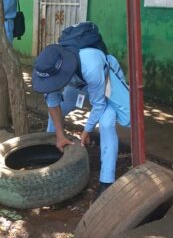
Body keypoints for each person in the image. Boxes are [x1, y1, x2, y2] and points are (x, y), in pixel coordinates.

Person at [32, 44, 119, 198]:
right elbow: (53, 103)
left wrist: (87, 130)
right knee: (55, 118)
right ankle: (53, 155)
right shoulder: (47, 70)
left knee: (106, 124)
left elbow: (99, 104)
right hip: (75, 82)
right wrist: (59, 135)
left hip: (105, 78)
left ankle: (107, 181)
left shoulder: (91, 65)